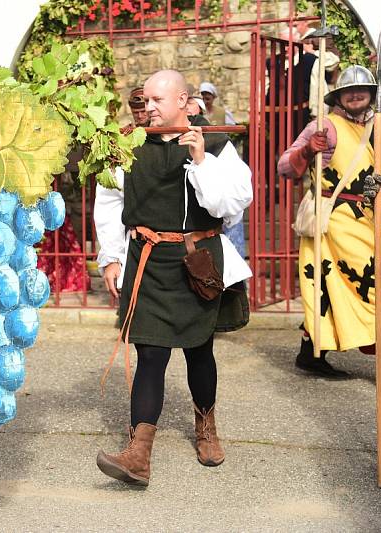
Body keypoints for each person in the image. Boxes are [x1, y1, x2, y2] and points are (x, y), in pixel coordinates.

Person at [93, 70, 252, 486]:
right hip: (146, 260)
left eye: (159, 100)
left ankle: (206, 427)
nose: (149, 108)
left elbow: (230, 206)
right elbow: (109, 199)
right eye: (145, 100)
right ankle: (138, 454)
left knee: (199, 351)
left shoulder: (216, 142)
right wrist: (110, 257)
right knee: (151, 355)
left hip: (196, 260)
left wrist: (200, 161)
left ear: (184, 100)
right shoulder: (127, 145)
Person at [277, 65, 378, 378]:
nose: (355, 94)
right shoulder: (324, 127)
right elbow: (285, 167)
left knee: (330, 286)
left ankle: (310, 353)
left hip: (367, 217)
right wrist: (308, 149)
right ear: (339, 96)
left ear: (373, 94)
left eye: (361, 89)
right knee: (369, 282)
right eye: (348, 90)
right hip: (331, 221)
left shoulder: (378, 126)